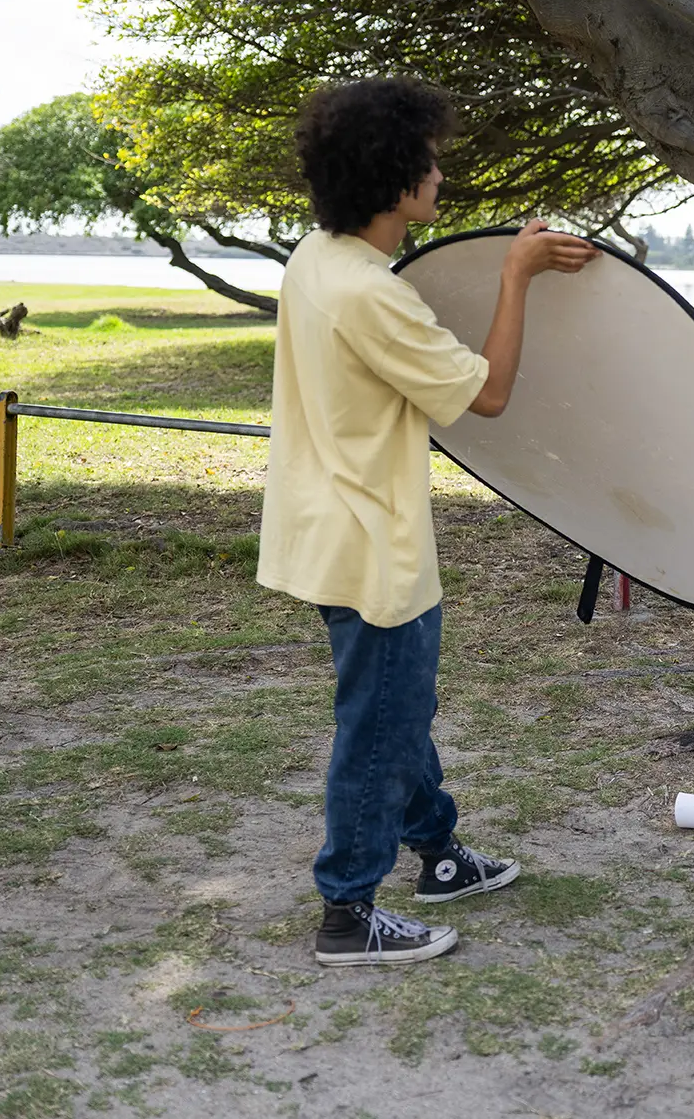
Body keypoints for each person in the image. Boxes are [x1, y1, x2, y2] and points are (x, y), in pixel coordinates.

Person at [258, 78, 598, 966]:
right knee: (382, 721)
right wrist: (515, 275)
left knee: (397, 709)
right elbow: (488, 394)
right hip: (372, 540)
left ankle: (439, 854)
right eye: (431, 162)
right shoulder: (370, 295)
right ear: (394, 176)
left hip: (327, 525)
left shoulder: (317, 258)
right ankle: (348, 912)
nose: (441, 176)